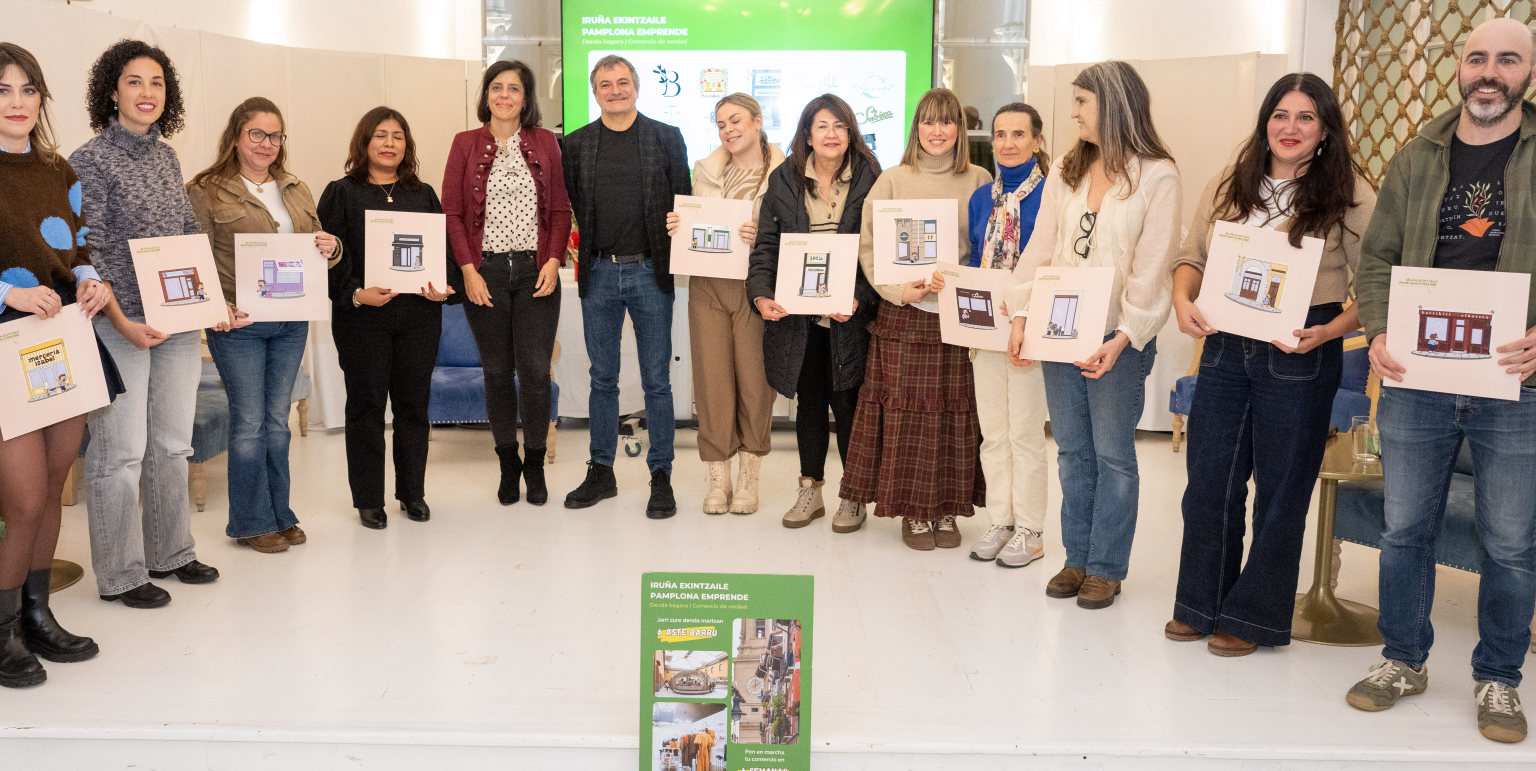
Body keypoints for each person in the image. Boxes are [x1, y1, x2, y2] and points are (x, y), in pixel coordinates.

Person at [1350, 17, 1536, 744]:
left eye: (1508, 60)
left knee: (1513, 540)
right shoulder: (1418, 155)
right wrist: (1377, 330)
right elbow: (1377, 259)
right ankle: (1402, 658)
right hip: (1418, 379)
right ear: (1459, 67)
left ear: (1527, 72)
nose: (1490, 72)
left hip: (1516, 384)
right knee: (1404, 529)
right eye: (1478, 58)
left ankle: (1499, 676)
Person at [1166, 73, 1377, 655]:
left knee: (1282, 491)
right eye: (1280, 115)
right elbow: (1191, 258)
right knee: (1210, 481)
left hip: (1301, 352)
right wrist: (1184, 300)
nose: (1290, 128)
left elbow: (1382, 279)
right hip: (1228, 348)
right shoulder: (1231, 184)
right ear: (1265, 121)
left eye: (1305, 117)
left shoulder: (1350, 194)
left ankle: (1253, 617)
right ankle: (1199, 603)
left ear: (1325, 130)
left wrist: (1331, 331)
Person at [1005, 60, 1181, 608]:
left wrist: (1124, 338)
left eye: (1082, 101)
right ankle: (1075, 558)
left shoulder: (1159, 175)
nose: (1074, 112)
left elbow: (1154, 269)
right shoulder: (1066, 167)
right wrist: (1019, 312)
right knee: (1073, 452)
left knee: (1112, 456)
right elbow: (1042, 246)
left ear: (1113, 104)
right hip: (1059, 329)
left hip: (1117, 338)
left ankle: (1106, 566)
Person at [70, 40, 221, 610]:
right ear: (112, 91)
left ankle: (172, 552)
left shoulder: (167, 157)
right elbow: (93, 247)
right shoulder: (89, 159)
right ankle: (122, 573)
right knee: (121, 451)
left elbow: (187, 234)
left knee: (172, 445)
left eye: (156, 82)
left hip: (178, 320)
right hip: (119, 323)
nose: (147, 93)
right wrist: (121, 318)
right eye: (134, 82)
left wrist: (212, 303)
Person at [0, 42, 120, 686]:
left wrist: (91, 282)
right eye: (2, 90)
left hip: (64, 343)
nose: (17, 103)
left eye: (27, 90)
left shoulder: (58, 170)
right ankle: (0, 631)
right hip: (4, 349)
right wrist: (8, 293)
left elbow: (77, 249)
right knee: (20, 497)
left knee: (51, 489)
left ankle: (34, 614)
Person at [839, 87, 992, 550]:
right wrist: (899, 291)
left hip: (959, 316)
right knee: (906, 417)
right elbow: (869, 247)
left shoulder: (981, 179)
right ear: (916, 128)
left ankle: (945, 510)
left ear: (959, 129)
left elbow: (988, 248)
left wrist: (963, 281)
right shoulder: (891, 179)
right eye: (928, 121)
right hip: (904, 314)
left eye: (946, 122)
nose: (937, 131)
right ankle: (913, 512)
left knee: (953, 415)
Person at [188, 97, 338, 554]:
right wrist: (218, 306)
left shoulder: (295, 187)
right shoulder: (207, 190)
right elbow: (194, 259)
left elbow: (318, 250)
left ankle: (281, 514)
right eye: (257, 134)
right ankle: (251, 522)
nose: (266, 144)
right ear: (236, 135)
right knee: (250, 423)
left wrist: (333, 247)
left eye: (275, 136)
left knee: (278, 421)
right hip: (239, 326)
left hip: (291, 322)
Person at [561, 55, 689, 518]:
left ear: (637, 87)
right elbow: (572, 204)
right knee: (603, 378)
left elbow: (684, 203)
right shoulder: (575, 145)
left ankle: (661, 476)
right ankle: (601, 471)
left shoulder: (666, 138)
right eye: (605, 84)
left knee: (657, 380)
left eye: (623, 82)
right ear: (595, 93)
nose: (615, 90)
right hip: (597, 273)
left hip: (650, 273)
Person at [746, 94, 880, 531]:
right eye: (822, 126)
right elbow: (766, 246)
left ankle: (853, 496)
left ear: (851, 133)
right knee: (808, 403)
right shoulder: (783, 180)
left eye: (840, 127)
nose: (831, 135)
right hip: (797, 317)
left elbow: (876, 251)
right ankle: (811, 490)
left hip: (849, 317)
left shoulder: (871, 178)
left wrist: (859, 297)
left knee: (847, 404)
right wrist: (762, 294)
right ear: (807, 133)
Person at [319, 107, 454, 530]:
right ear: (364, 142)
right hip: (363, 319)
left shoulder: (424, 193)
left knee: (414, 408)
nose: (390, 143)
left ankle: (413, 493)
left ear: (407, 145)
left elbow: (442, 254)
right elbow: (326, 258)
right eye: (380, 135)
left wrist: (442, 286)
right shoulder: (340, 193)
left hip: (419, 316)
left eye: (398, 136)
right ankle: (368, 499)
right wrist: (355, 293)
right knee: (366, 408)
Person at [443, 60, 570, 507]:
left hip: (536, 271)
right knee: (496, 373)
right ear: (486, 94)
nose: (504, 96)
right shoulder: (464, 144)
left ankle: (534, 464)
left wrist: (554, 259)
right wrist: (467, 269)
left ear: (526, 98)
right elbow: (453, 213)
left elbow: (559, 210)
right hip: (486, 273)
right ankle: (506, 464)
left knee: (535, 372)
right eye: (497, 87)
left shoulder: (545, 143)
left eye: (514, 89)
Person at [665, 93, 783, 515]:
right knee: (712, 383)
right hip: (707, 287)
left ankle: (750, 476)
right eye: (720, 124)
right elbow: (696, 226)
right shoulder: (706, 171)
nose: (728, 130)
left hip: (755, 287)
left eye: (735, 121)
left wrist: (768, 235)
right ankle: (719, 477)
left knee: (755, 383)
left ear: (757, 120)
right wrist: (678, 224)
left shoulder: (785, 173)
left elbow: (798, 231)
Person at [964, 103, 1052, 568]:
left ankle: (1032, 530)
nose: (1008, 143)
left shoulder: (1055, 194)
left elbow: (1055, 266)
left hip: (1032, 326)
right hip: (987, 327)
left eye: (1019, 134)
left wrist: (1028, 317)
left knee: (1024, 434)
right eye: (1000, 134)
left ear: (1037, 140)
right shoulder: (983, 197)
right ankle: (1001, 520)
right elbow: (977, 258)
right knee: (994, 433)